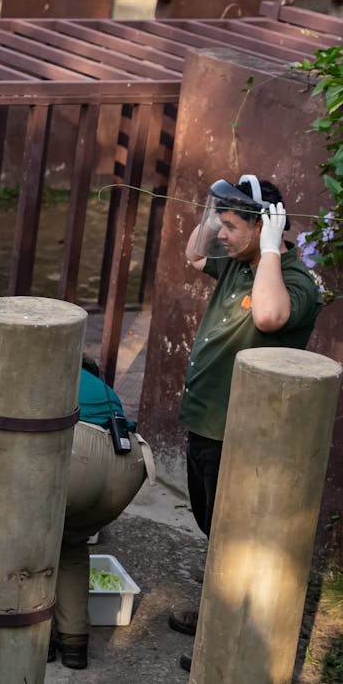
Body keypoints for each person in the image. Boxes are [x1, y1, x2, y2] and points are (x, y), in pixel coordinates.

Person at [170, 175, 323, 672]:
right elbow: (193, 256)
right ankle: (217, 618)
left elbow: (272, 317)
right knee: (216, 530)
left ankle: (226, 643)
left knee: (236, 539)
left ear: (266, 228)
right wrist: (211, 214)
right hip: (206, 424)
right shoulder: (237, 264)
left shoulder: (289, 279)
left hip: (239, 433)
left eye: (233, 226)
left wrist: (274, 249)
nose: (223, 235)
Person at [48, 357, 151, 670]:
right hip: (130, 465)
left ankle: (37, 639)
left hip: (81, 456)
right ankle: (75, 644)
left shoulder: (52, 370)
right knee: (72, 547)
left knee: (27, 543)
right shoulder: (103, 390)